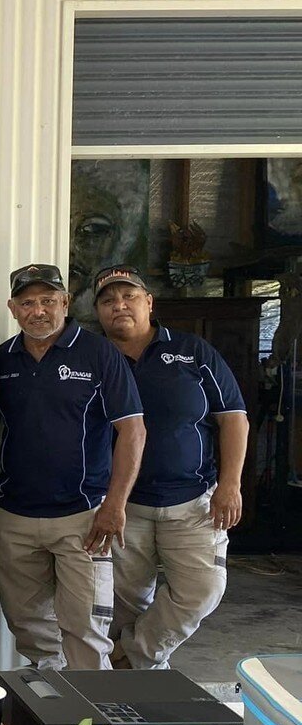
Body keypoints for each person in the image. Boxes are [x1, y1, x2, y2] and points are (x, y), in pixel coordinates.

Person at [0, 263, 145, 671]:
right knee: (29, 628)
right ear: (12, 308)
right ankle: (57, 721)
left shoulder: (99, 353)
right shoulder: (1, 359)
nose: (37, 310)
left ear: (65, 302)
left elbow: (132, 431)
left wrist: (115, 504)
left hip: (84, 517)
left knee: (86, 630)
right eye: (27, 303)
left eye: (46, 301)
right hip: (13, 517)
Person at [92, 265, 248, 669]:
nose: (119, 305)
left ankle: (132, 658)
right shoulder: (93, 358)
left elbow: (233, 417)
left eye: (128, 296)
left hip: (193, 501)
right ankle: (132, 693)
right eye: (107, 300)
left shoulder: (192, 351)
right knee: (122, 602)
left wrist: (231, 484)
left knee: (201, 591)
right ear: (99, 312)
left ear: (148, 302)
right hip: (121, 507)